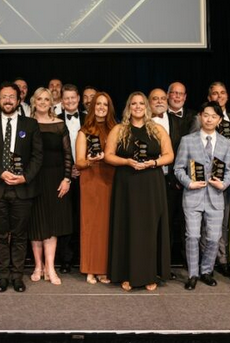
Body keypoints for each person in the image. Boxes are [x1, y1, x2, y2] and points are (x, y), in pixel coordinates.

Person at [105, 92, 173, 291]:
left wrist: (153, 163)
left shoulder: (157, 129)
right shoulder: (119, 129)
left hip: (151, 183)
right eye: (133, 103)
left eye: (141, 103)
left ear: (146, 107)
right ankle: (127, 274)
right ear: (128, 107)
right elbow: (108, 156)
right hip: (126, 183)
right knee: (128, 226)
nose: (137, 107)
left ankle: (150, 274)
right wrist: (126, 161)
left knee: (149, 228)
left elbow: (169, 155)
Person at [0, 82, 43, 293]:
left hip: (22, 189)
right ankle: (3, 277)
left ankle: (17, 276)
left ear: (19, 100)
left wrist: (24, 177)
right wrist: (0, 173)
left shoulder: (31, 125)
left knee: (19, 235)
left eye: (11, 97)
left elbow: (37, 156)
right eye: (4, 97)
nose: (8, 100)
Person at [174, 102, 230, 290]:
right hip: (193, 196)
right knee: (192, 236)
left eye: (213, 116)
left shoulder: (226, 143)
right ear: (200, 116)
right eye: (206, 115)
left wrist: (223, 184)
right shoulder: (187, 141)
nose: (209, 119)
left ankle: (206, 271)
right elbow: (178, 168)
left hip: (216, 196)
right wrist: (189, 183)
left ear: (219, 120)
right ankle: (193, 274)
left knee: (214, 238)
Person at [28, 87, 73, 285]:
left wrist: (66, 178)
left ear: (51, 102)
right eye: (39, 99)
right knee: (36, 224)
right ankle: (38, 266)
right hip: (33, 179)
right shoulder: (27, 123)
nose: (43, 102)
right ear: (34, 101)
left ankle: (50, 267)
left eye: (47, 99)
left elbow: (67, 154)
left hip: (56, 178)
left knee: (52, 225)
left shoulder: (59, 124)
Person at [75, 92, 117, 284]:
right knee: (91, 226)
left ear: (109, 108)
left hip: (111, 179)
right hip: (91, 179)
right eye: (98, 104)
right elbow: (79, 162)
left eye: (105, 104)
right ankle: (90, 268)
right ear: (92, 107)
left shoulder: (116, 129)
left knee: (107, 226)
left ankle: (104, 268)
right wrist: (90, 161)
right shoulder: (84, 131)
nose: (101, 107)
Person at [150, 87, 187, 271]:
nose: (159, 101)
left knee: (170, 223)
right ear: (148, 102)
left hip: (172, 180)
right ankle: (150, 262)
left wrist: (178, 177)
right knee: (150, 222)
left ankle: (167, 265)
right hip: (147, 180)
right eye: (155, 98)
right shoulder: (140, 122)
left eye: (162, 98)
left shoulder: (178, 122)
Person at [206, 81, 230, 277]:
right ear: (209, 98)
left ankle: (223, 259)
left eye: (222, 93)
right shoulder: (201, 119)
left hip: (228, 177)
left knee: (223, 221)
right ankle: (206, 262)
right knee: (206, 222)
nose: (219, 96)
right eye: (215, 93)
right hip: (206, 179)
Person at [58, 84, 83, 274]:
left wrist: (81, 166)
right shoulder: (55, 120)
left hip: (87, 175)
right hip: (63, 176)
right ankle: (65, 259)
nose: (70, 101)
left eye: (73, 97)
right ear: (61, 101)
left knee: (83, 217)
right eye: (66, 98)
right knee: (65, 217)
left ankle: (84, 258)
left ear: (79, 98)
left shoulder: (90, 119)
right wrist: (68, 171)